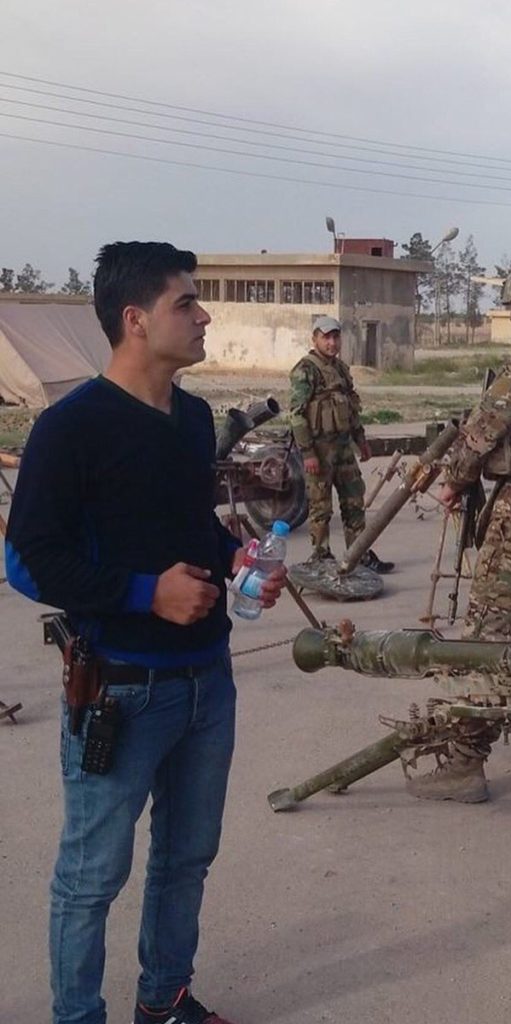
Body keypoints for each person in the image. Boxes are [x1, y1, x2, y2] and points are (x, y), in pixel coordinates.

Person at [6, 241, 286, 1024]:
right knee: (92, 875)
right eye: (186, 304)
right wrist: (142, 594)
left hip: (208, 681)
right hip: (122, 689)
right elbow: (28, 561)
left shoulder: (193, 419)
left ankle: (164, 1000)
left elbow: (186, 527)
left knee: (187, 859)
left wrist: (235, 560)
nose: (203, 316)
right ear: (135, 320)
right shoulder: (71, 429)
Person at [406, 258, 511, 803]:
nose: (510, 313)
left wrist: (455, 477)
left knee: (490, 633)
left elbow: (487, 424)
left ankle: (464, 762)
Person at [289, 315, 393, 573]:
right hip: (320, 450)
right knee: (320, 506)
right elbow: (296, 415)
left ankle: (359, 553)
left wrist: (361, 441)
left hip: (344, 447)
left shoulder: (341, 369)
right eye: (326, 337)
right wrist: (308, 453)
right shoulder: (305, 370)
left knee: (354, 502)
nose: (332, 342)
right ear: (315, 339)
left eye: (336, 337)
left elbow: (351, 407)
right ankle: (321, 555)